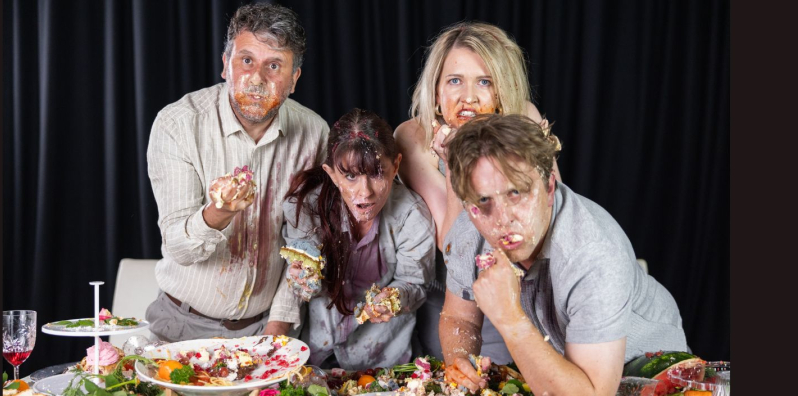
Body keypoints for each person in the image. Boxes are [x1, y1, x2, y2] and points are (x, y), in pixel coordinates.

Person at [441, 114, 688, 396]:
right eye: (483, 200)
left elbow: (592, 394)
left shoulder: (593, 253)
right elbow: (459, 318)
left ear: (548, 188)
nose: (502, 219)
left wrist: (509, 318)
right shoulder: (468, 230)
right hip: (567, 371)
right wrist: (460, 360)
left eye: (516, 193)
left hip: (652, 369)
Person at [145, 3, 329, 342]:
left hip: (266, 328)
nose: (257, 79)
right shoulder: (177, 125)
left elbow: (307, 242)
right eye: (246, 61)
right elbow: (179, 249)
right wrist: (219, 213)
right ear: (225, 65)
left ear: (293, 80)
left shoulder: (314, 133)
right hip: (180, 326)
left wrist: (279, 326)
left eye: (274, 66)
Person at [393, 21, 560, 361]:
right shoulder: (413, 137)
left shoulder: (523, 116)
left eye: (484, 82)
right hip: (450, 309)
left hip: (521, 298)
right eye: (455, 81)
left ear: (501, 92)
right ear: (437, 90)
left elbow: (547, 224)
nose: (468, 97)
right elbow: (453, 247)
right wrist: (456, 165)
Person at [281, 109, 435, 370]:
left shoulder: (412, 215)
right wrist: (303, 276)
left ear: (395, 166)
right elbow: (305, 269)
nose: (365, 192)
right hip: (317, 355)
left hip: (385, 361)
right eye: (350, 176)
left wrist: (395, 297)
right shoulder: (306, 207)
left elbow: (416, 284)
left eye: (377, 173)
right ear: (332, 174)